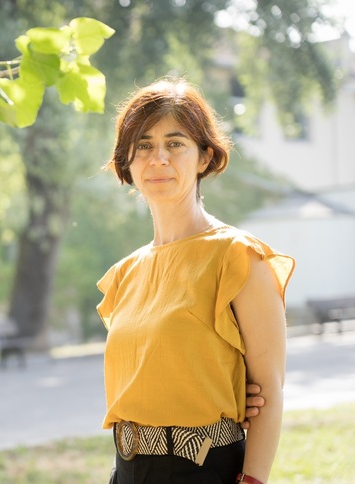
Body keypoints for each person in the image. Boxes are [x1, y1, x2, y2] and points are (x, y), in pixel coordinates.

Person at [97, 77, 294, 483]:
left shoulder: (238, 256)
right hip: (126, 470)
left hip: (204, 471)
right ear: (127, 161)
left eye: (175, 143)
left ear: (204, 157)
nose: (158, 159)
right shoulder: (125, 273)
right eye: (144, 145)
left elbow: (269, 392)